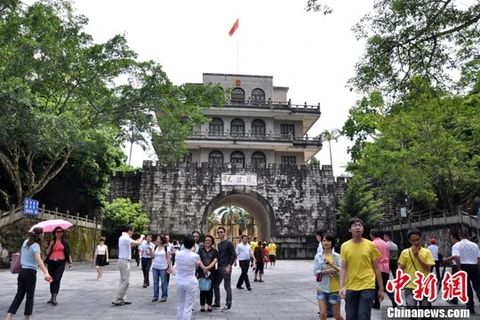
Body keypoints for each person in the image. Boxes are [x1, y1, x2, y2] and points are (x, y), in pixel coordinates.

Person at [339, 217, 384, 320]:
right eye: (354, 225)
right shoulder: (345, 246)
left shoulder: (371, 245)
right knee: (350, 316)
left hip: (367, 285)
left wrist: (381, 289)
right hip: (351, 285)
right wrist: (341, 286)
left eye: (360, 225)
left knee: (364, 316)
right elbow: (343, 268)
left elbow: (376, 267)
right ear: (350, 229)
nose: (357, 227)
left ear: (363, 228)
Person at [5, 228, 53, 320]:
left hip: (22, 271)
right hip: (30, 272)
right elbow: (38, 260)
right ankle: (27, 317)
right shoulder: (35, 246)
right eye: (42, 234)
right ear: (40, 235)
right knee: (30, 296)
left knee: (19, 295)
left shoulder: (25, 242)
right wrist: (46, 273)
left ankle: (9, 316)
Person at [398, 228, 435, 309]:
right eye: (413, 240)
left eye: (418, 239)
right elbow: (401, 268)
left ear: (421, 238)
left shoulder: (426, 252)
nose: (416, 242)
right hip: (410, 286)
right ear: (409, 240)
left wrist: (417, 256)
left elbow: (429, 267)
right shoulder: (405, 252)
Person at [313, 233, 344, 320]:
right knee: (322, 314)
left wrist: (332, 265)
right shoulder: (318, 257)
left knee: (337, 315)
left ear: (332, 242)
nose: (326, 243)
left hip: (334, 289)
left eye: (328, 241)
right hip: (322, 288)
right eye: (324, 240)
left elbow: (342, 271)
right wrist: (327, 271)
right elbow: (315, 272)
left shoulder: (337, 256)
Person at [112, 226, 145, 306]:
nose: (133, 233)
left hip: (123, 261)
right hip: (124, 261)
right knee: (126, 282)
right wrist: (142, 237)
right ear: (129, 231)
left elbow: (133, 242)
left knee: (123, 281)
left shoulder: (123, 238)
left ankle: (123, 298)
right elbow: (137, 243)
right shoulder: (124, 238)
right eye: (132, 231)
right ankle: (117, 299)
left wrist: (138, 240)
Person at [453, 228, 480, 314]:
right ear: (468, 235)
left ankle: (470, 306)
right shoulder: (474, 245)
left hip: (463, 265)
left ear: (460, 236)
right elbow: (478, 258)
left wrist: (459, 268)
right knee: (478, 286)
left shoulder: (457, 245)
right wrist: (478, 267)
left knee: (467, 287)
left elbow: (457, 257)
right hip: (474, 265)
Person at [45, 226, 73, 306]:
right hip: (51, 261)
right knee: (51, 279)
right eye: (58, 232)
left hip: (61, 262)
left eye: (61, 232)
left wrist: (70, 262)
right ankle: (51, 296)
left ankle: (54, 297)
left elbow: (68, 253)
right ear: (55, 233)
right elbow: (47, 252)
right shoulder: (52, 241)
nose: (60, 233)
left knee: (57, 278)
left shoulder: (65, 242)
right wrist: (50, 245)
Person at [175, 234, 200, 320]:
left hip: (179, 280)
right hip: (190, 281)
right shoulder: (195, 256)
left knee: (180, 305)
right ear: (193, 244)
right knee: (188, 307)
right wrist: (193, 251)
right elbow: (197, 263)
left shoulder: (177, 254)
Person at [370, 229, 396, 308]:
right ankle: (393, 300)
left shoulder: (372, 244)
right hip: (386, 266)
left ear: (372, 235)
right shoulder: (385, 244)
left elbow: (372, 257)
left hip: (378, 266)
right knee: (385, 284)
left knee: (376, 286)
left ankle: (377, 303)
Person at [213, 226, 237, 312]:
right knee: (215, 285)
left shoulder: (229, 243)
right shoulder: (219, 244)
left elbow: (233, 255)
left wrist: (229, 266)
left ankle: (228, 304)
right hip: (219, 267)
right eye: (218, 232)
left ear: (224, 233)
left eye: (221, 232)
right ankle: (217, 302)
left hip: (226, 267)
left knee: (227, 286)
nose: (219, 233)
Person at [197, 234, 218, 312]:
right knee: (203, 289)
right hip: (202, 271)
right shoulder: (200, 250)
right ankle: (202, 305)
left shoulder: (214, 251)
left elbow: (215, 260)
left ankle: (209, 305)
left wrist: (208, 267)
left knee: (210, 289)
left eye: (209, 240)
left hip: (211, 272)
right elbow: (198, 259)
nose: (207, 242)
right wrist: (204, 268)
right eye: (206, 240)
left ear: (212, 242)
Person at [149, 235, 172, 302]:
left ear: (161, 240)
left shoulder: (166, 248)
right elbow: (153, 256)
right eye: (156, 239)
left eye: (158, 239)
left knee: (164, 282)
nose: (157, 240)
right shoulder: (155, 247)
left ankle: (164, 296)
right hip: (155, 266)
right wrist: (150, 251)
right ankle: (155, 296)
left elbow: (168, 258)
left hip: (163, 267)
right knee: (155, 282)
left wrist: (169, 267)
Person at [442, 232, 461, 305]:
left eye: (451, 239)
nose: (451, 240)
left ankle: (454, 299)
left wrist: (446, 259)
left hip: (457, 266)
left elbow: (455, 256)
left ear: (454, 238)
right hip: (469, 265)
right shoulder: (468, 245)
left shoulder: (456, 246)